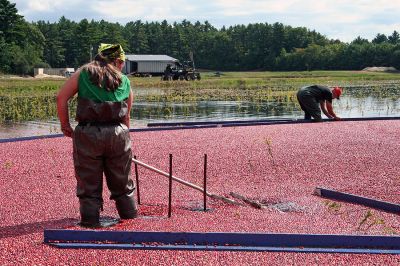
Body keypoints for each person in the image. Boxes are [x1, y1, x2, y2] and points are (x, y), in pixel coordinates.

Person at [56, 43, 137, 227]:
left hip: (89, 134)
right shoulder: (124, 80)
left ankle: (90, 221)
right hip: (118, 133)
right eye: (122, 62)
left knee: (89, 182)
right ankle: (130, 217)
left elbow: (61, 98)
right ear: (116, 60)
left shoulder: (83, 73)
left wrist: (65, 125)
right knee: (122, 182)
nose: (123, 66)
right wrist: (124, 141)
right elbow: (127, 115)